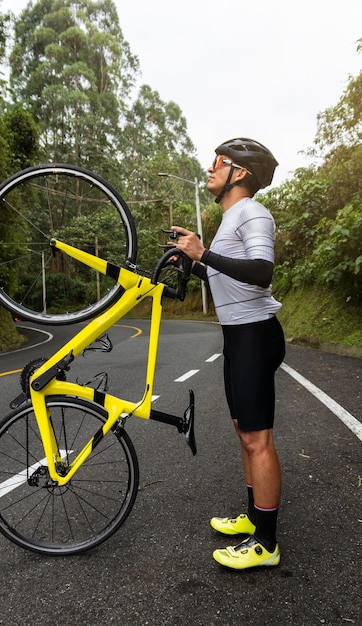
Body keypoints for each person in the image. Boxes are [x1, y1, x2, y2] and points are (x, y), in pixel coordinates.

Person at [170, 137, 285, 570]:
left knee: (259, 439)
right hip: (236, 335)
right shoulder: (230, 218)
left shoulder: (252, 212)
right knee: (244, 432)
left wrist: (205, 253)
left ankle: (267, 543)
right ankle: (254, 518)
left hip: (256, 334)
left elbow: (260, 271)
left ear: (240, 172)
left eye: (219, 161)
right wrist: (192, 261)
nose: (210, 168)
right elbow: (224, 274)